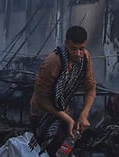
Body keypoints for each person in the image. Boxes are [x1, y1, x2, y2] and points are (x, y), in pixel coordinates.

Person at [29, 25, 96, 156]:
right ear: (66, 44)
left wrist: (84, 114)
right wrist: (68, 119)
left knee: (65, 149)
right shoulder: (53, 62)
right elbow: (41, 98)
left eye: (81, 48)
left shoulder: (85, 58)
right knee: (45, 151)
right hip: (42, 114)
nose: (78, 53)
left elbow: (91, 89)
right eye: (73, 49)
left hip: (63, 111)